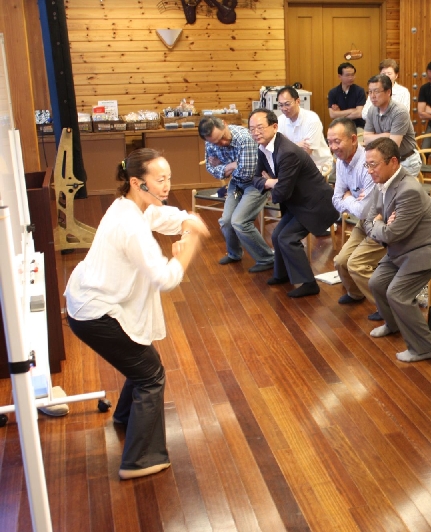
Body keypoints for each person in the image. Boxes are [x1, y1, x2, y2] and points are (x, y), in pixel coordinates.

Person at [65, 149, 210, 480]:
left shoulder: (130, 206)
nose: (166, 185)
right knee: (150, 374)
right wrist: (186, 249)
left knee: (144, 363)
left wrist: (186, 220)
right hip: (94, 314)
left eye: (168, 178)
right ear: (136, 182)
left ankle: (126, 418)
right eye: (159, 180)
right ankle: (139, 460)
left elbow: (159, 215)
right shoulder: (130, 225)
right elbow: (165, 278)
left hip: (90, 303)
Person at [362, 138, 431, 363]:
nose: (370, 170)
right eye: (367, 165)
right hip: (403, 247)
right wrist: (381, 224)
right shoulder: (381, 182)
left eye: (373, 164)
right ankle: (393, 324)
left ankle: (425, 348)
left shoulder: (408, 190)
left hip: (427, 248)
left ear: (393, 161)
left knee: (398, 295)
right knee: (376, 283)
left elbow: (391, 234)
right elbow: (366, 220)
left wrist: (379, 224)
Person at [248, 109, 340, 297]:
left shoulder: (287, 152)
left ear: (274, 127)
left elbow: (282, 192)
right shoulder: (263, 148)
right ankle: (281, 274)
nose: (256, 132)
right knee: (277, 236)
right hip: (298, 202)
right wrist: (272, 182)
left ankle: (309, 283)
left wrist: (271, 182)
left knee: (287, 238)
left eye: (260, 128)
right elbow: (255, 178)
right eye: (252, 129)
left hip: (313, 204)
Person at [199, 116, 275, 273]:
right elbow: (211, 169)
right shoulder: (210, 141)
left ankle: (267, 258)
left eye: (222, 137)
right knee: (226, 221)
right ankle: (234, 254)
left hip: (256, 183)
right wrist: (233, 165)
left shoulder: (244, 138)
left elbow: (247, 172)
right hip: (236, 184)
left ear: (225, 124)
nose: (222, 143)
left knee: (240, 222)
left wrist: (223, 166)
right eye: (216, 143)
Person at [328, 117, 385, 305]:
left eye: (337, 141)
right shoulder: (340, 161)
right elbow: (336, 200)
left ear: (353, 139)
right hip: (364, 223)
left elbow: (363, 211)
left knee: (355, 264)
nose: (333, 147)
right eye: (330, 142)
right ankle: (356, 294)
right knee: (340, 262)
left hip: (382, 222)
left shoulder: (368, 163)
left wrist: (347, 197)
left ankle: (386, 306)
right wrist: (352, 199)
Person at [364, 74, 422, 178]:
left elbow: (393, 146)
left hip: (406, 161)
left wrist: (377, 137)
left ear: (388, 92)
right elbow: (366, 139)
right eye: (370, 92)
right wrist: (386, 135)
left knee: (394, 188)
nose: (372, 96)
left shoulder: (399, 111)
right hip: (386, 161)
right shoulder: (372, 110)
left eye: (376, 91)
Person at [276, 86, 333, 173]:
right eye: (281, 105)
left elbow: (306, 153)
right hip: (292, 165)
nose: (284, 108)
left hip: (319, 165)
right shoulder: (280, 120)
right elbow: (277, 150)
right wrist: (297, 145)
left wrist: (287, 147)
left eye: (287, 104)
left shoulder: (312, 119)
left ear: (298, 101)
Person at [328, 62, 367, 129]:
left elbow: (359, 113)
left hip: (358, 126)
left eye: (352, 75)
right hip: (340, 126)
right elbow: (332, 114)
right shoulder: (333, 92)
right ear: (339, 76)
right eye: (347, 75)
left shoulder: (359, 91)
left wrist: (339, 114)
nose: (351, 78)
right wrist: (353, 110)